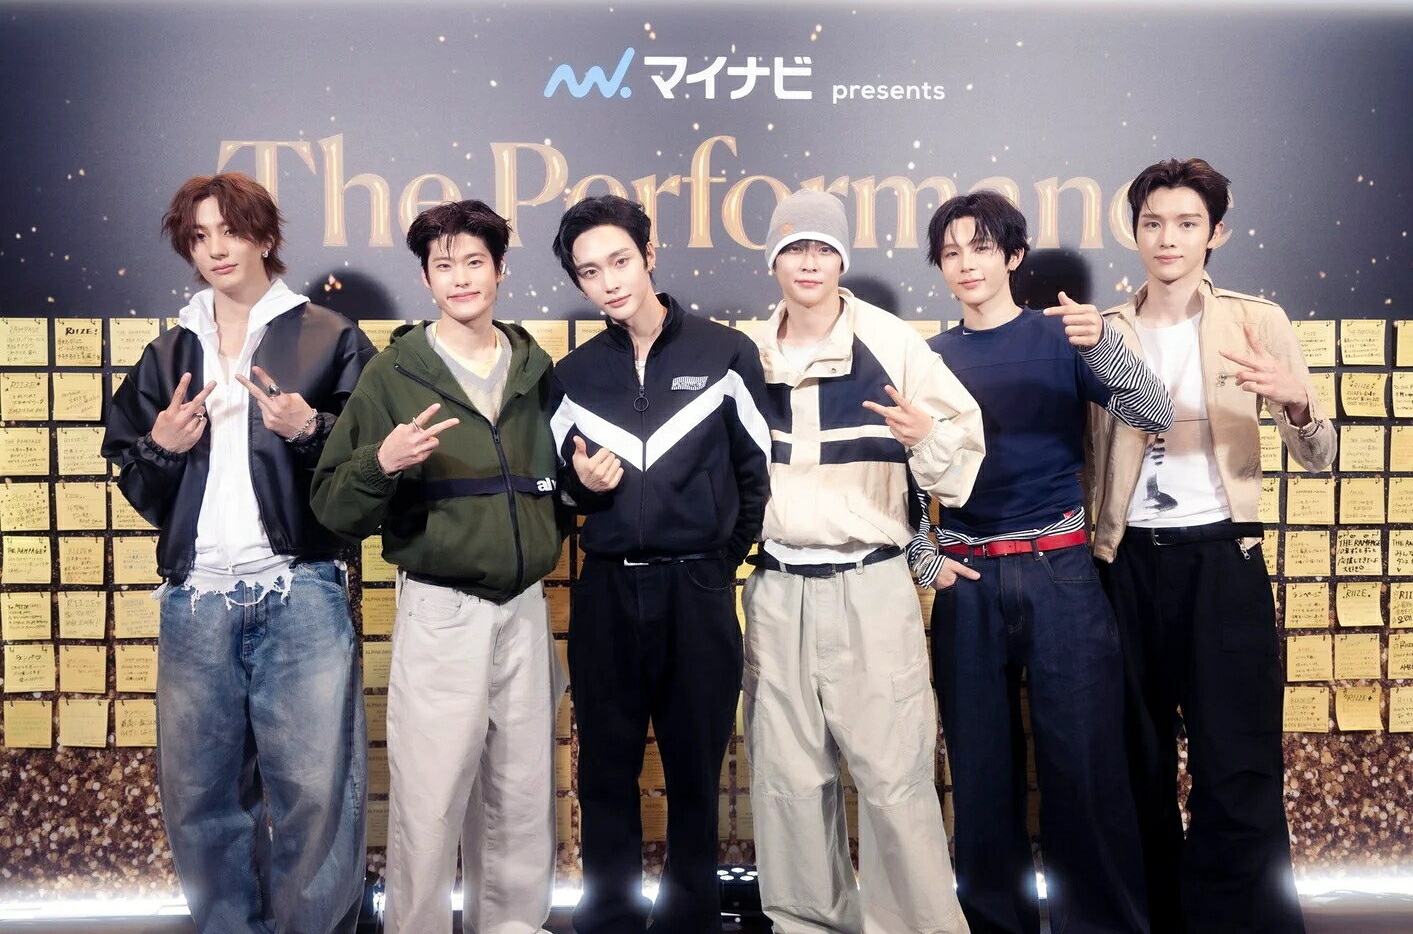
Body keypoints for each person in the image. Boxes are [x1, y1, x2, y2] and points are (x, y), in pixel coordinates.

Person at [102, 171, 373, 934]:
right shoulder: (169, 352)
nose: (216, 248)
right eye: (199, 236)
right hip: (194, 600)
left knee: (317, 792)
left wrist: (309, 430)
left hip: (300, 588)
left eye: (230, 230)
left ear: (264, 235)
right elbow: (136, 479)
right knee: (199, 795)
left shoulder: (330, 335)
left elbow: (370, 468)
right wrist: (160, 447)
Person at [908, 190, 1171, 934]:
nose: (966, 264)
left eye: (981, 248)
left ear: (1013, 256)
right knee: (981, 774)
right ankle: (996, 922)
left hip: (1062, 572)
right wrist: (925, 557)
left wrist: (1104, 347)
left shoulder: (1064, 335)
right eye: (951, 252)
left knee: (1085, 767)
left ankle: (1103, 925)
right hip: (969, 578)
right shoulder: (927, 357)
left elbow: (1154, 412)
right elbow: (901, 472)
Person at [1089, 158, 1335, 934]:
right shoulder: (1104, 330)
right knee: (1135, 762)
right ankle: (1153, 919)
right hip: (1126, 567)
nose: (1168, 238)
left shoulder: (1257, 321)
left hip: (1224, 561)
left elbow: (1321, 455)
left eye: (1187, 223)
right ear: (1135, 232)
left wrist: (1296, 403)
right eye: (1154, 223)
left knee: (1238, 763)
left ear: (1216, 233)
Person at [310, 199, 565, 934]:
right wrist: (381, 462)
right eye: (444, 265)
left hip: (525, 609)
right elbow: (332, 505)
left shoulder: (535, 370)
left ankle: (512, 927)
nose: (461, 278)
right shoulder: (394, 373)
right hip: (441, 610)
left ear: (501, 269)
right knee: (429, 799)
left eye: (474, 262)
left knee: (522, 797)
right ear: (425, 279)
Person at [742, 188, 984, 934]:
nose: (809, 262)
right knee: (787, 784)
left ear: (842, 259)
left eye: (824, 248)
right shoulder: (745, 352)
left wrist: (922, 437)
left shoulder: (893, 342)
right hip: (776, 587)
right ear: (773, 259)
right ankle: (806, 925)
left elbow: (960, 460)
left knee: (895, 780)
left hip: (871, 585)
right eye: (794, 248)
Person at [547, 194, 771, 934]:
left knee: (695, 773)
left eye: (619, 261)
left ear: (648, 255)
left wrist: (717, 564)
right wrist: (585, 488)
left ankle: (690, 920)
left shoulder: (725, 353)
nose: (609, 281)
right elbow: (559, 494)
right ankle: (608, 917)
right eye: (590, 272)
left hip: (697, 590)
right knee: (604, 771)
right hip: (607, 594)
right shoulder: (571, 376)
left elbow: (756, 476)